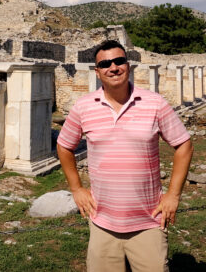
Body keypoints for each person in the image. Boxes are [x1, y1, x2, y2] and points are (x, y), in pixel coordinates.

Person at [57, 40, 193, 272]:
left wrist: (173, 195)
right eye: (105, 63)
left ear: (128, 66)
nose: (114, 67)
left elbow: (184, 145)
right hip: (102, 222)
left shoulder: (155, 103)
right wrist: (77, 189)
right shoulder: (83, 106)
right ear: (97, 71)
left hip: (148, 221)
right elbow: (64, 146)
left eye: (119, 61)